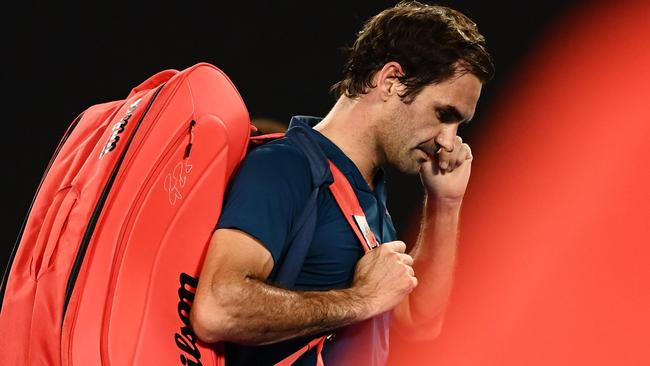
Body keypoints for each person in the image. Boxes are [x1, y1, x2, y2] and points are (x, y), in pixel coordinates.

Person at [190, 1, 494, 365]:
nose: (448, 140)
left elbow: (419, 322)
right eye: (444, 114)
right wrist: (361, 298)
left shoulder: (368, 193)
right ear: (390, 80)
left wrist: (445, 205)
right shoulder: (287, 166)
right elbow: (217, 307)